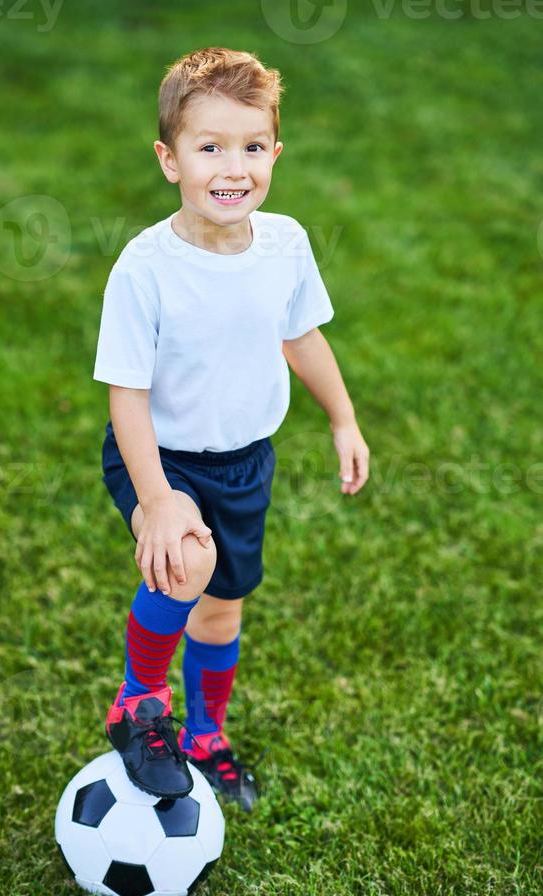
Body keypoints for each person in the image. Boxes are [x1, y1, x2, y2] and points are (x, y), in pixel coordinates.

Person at [93, 46, 369, 813]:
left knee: (221, 603)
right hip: (158, 450)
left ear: (275, 153)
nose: (233, 166)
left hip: (245, 459)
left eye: (251, 147)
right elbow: (127, 395)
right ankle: (139, 703)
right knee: (186, 558)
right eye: (209, 146)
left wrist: (342, 418)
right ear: (169, 159)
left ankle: (205, 734)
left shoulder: (284, 243)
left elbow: (302, 337)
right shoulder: (145, 267)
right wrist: (156, 499)